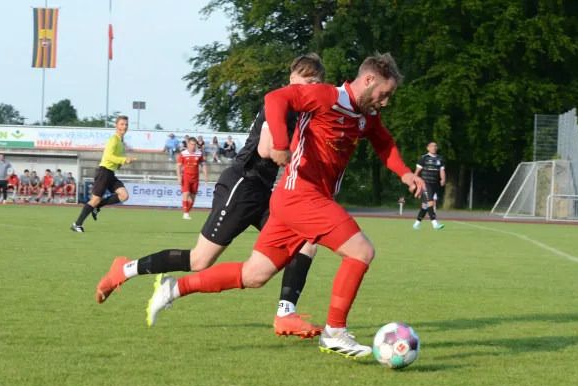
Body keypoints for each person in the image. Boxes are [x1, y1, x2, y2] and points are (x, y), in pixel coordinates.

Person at [144, 53, 425, 359]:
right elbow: (276, 98)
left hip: (293, 201)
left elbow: (384, 143)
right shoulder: (327, 95)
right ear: (369, 80)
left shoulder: (367, 116)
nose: (385, 102)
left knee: (254, 275)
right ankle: (335, 333)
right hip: (301, 195)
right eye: (384, 94)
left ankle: (174, 289)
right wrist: (280, 142)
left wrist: (405, 172)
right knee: (361, 251)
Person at [95, 54, 328, 339]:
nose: (313, 88)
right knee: (199, 260)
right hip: (241, 187)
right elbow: (267, 150)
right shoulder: (279, 104)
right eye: (308, 81)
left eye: (318, 83)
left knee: (304, 243)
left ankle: (285, 314)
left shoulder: (304, 112)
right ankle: (125, 269)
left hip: (264, 193)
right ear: (293, 80)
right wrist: (296, 155)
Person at [71, 116, 135, 232]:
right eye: (121, 124)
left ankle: (97, 207)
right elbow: (108, 156)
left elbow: (116, 158)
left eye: (126, 124)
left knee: (124, 195)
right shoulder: (114, 139)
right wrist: (124, 160)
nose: (124, 127)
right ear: (116, 126)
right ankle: (77, 224)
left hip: (110, 173)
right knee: (95, 200)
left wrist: (120, 163)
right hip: (103, 172)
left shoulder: (121, 141)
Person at [413, 141, 445, 230]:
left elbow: (442, 170)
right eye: (432, 146)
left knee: (425, 206)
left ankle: (416, 224)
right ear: (428, 148)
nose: (434, 147)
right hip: (425, 183)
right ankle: (435, 224)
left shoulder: (440, 159)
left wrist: (443, 179)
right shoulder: (424, 158)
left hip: (434, 183)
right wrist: (415, 183)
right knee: (431, 202)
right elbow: (417, 171)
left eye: (435, 146)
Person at [177, 137, 208, 220]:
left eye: (194, 145)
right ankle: (185, 213)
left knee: (192, 199)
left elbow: (203, 165)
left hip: (195, 178)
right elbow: (179, 166)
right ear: (188, 144)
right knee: (186, 194)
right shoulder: (183, 153)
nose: (193, 146)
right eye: (191, 144)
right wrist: (179, 177)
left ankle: (186, 212)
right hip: (186, 177)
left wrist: (205, 176)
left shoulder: (199, 153)